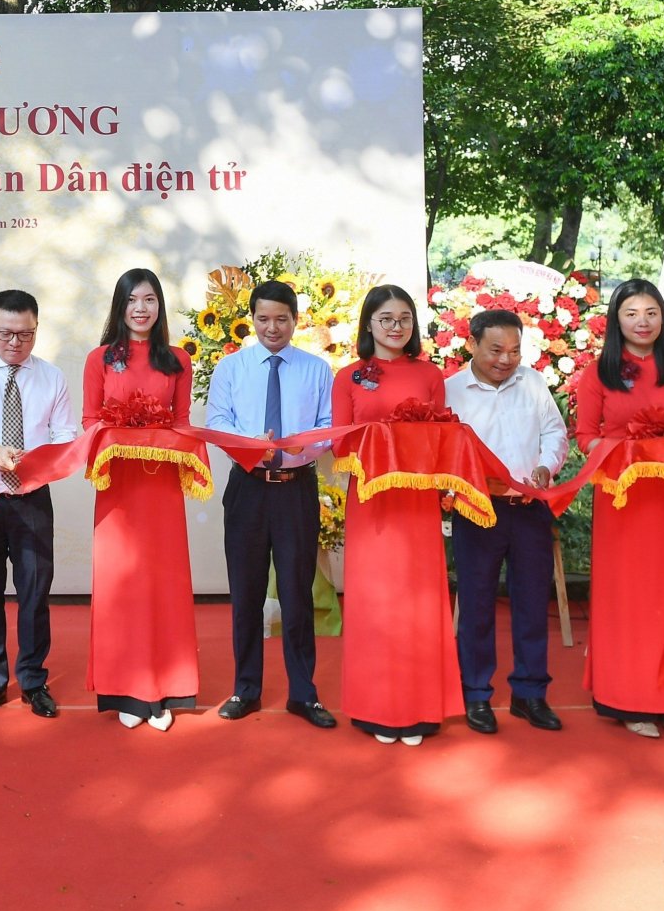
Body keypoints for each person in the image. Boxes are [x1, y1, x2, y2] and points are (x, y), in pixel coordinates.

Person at [573, 277, 664, 739]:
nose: (643, 322)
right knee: (630, 599)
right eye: (632, 313)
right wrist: (628, 452)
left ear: (663, 317)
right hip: (625, 501)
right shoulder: (600, 372)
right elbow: (584, 438)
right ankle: (628, 697)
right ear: (617, 320)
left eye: (651, 312)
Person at [203, 279, 337, 728]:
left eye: (282, 319)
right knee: (246, 593)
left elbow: (328, 425)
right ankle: (246, 689)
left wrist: (298, 450)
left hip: (296, 487)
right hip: (248, 487)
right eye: (263, 318)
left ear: (296, 320)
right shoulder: (231, 369)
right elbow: (217, 422)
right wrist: (248, 446)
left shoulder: (316, 369)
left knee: (298, 593)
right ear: (252, 319)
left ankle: (304, 692)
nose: (272, 327)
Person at [329, 284, 458, 745]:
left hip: (417, 500)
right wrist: (382, 437)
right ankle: (377, 707)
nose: (396, 326)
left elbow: (443, 435)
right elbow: (340, 443)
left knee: (419, 600)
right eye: (386, 318)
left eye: (404, 318)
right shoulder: (348, 376)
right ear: (369, 324)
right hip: (373, 499)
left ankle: (421, 708)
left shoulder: (430, 374)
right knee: (377, 601)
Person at [0, 289, 78, 719]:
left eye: (25, 335)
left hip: (31, 499)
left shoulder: (52, 377)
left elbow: (65, 434)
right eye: (5, 333)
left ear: (36, 330)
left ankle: (34, 680)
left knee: (34, 593)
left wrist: (41, 457)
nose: (14, 343)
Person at [80, 268, 198, 731]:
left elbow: (184, 423)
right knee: (121, 586)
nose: (141, 308)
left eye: (149, 299)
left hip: (162, 488)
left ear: (159, 306)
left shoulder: (178, 360)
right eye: (132, 300)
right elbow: (91, 420)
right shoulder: (100, 359)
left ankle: (164, 689)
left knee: (162, 584)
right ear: (120, 306)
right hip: (119, 488)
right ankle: (127, 690)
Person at [444, 307, 568, 736]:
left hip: (529, 508)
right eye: (496, 350)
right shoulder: (450, 392)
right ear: (472, 344)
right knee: (476, 605)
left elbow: (555, 432)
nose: (505, 359)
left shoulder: (532, 383)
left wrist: (546, 467)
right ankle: (476, 694)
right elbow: (442, 453)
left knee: (534, 604)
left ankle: (530, 693)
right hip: (477, 512)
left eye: (515, 351)